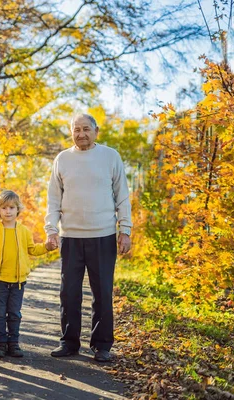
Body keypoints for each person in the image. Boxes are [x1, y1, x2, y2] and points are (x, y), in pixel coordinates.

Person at [45, 113, 132, 362]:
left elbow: (122, 196)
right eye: (76, 129)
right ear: (71, 132)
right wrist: (51, 229)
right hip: (71, 236)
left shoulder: (110, 156)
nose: (81, 134)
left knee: (102, 292)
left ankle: (102, 345)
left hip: (103, 235)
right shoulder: (62, 159)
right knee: (68, 292)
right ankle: (69, 342)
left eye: (86, 129)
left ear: (96, 131)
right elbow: (53, 198)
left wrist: (124, 230)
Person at [0, 190, 54, 358]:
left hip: (18, 281)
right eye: (4, 208)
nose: (8, 211)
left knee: (14, 314)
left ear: (17, 210)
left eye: (12, 207)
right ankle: (0, 344)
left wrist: (47, 247)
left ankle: (13, 344)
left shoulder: (24, 231)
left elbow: (32, 249)